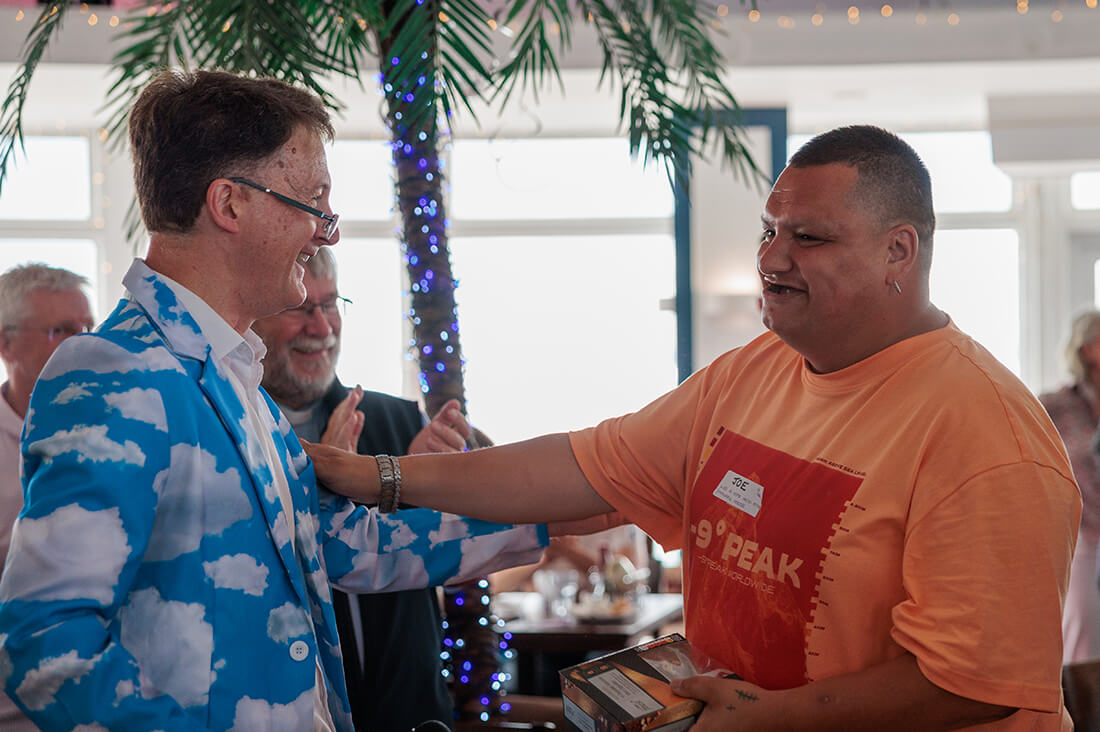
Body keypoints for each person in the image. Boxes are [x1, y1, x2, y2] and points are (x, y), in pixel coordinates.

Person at [308, 125, 1081, 731]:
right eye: (769, 230)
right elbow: (578, 467)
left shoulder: (987, 433)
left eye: (808, 238)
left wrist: (773, 719)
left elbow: (969, 684)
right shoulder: (751, 373)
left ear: (897, 253)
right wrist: (381, 477)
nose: (771, 258)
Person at [0, 70, 552, 731]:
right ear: (229, 205)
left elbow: (341, 547)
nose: (329, 232)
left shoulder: (237, 378)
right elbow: (44, 646)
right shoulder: (115, 371)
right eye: (312, 201)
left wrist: (565, 505)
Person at [251, 247, 470, 730]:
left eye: (331, 306)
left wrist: (426, 480)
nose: (322, 328)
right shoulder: (236, 436)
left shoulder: (395, 421)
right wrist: (322, 487)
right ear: (253, 319)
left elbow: (439, 555)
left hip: (413, 714)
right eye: (302, 308)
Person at [0, 263, 94, 732]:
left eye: (87, 329)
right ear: (5, 343)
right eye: (60, 331)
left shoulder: (119, 436)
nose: (82, 345)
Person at [1040, 310, 1100, 663]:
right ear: (1089, 349)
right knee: (1083, 640)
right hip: (1081, 539)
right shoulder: (1056, 405)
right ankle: (1085, 716)